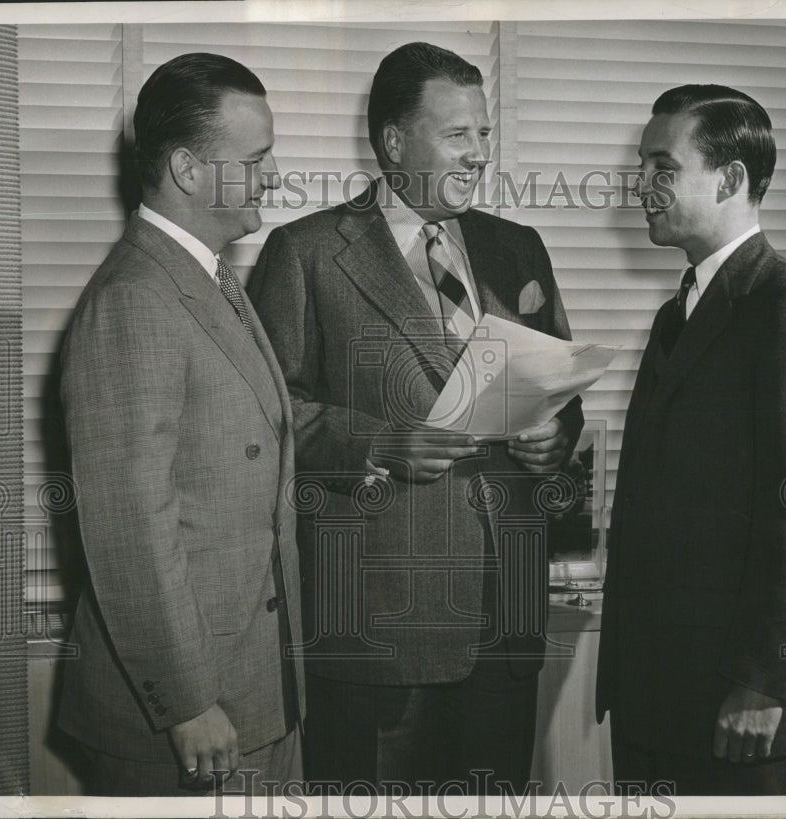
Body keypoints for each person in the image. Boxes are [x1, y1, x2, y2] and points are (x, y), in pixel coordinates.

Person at [247, 42, 584, 794]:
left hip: (507, 621)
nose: (479, 155)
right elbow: (270, 420)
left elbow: (565, 398)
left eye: (485, 135)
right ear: (395, 144)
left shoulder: (518, 247)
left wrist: (551, 441)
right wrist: (377, 442)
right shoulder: (303, 253)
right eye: (458, 135)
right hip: (376, 627)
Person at [595, 84, 786, 795]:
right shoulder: (677, 314)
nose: (641, 187)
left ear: (731, 178)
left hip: (740, 710)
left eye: (661, 167)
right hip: (659, 699)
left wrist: (763, 684)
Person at [57, 52, 304, 795]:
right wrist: (188, 700)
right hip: (195, 719)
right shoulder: (135, 299)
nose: (273, 176)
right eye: (255, 158)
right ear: (189, 170)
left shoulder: (207, 277)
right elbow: (131, 522)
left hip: (255, 689)